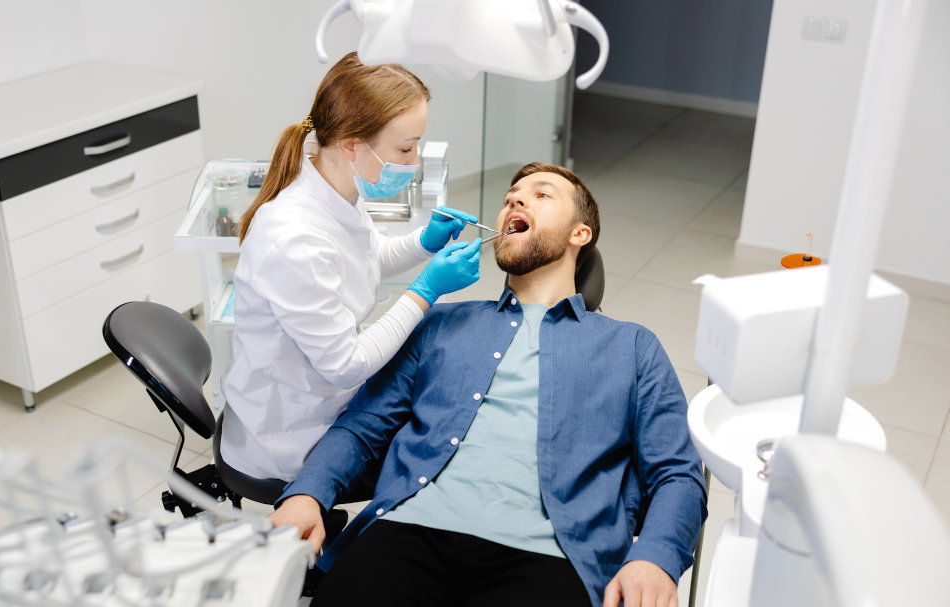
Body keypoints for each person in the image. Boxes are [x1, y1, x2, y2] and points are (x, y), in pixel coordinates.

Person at [270, 161, 708, 607]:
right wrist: (309, 493)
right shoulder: (439, 323)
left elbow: (677, 472)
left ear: (580, 234)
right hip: (407, 533)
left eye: (541, 194)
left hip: (549, 558)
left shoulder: (632, 347)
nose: (514, 200)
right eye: (510, 197)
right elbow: (362, 427)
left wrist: (654, 557)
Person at [220, 52, 482, 483]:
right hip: (291, 432)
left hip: (319, 392)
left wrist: (425, 242)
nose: (415, 160)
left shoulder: (336, 184)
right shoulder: (292, 238)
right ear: (351, 145)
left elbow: (363, 258)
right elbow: (345, 365)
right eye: (405, 147)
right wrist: (426, 290)